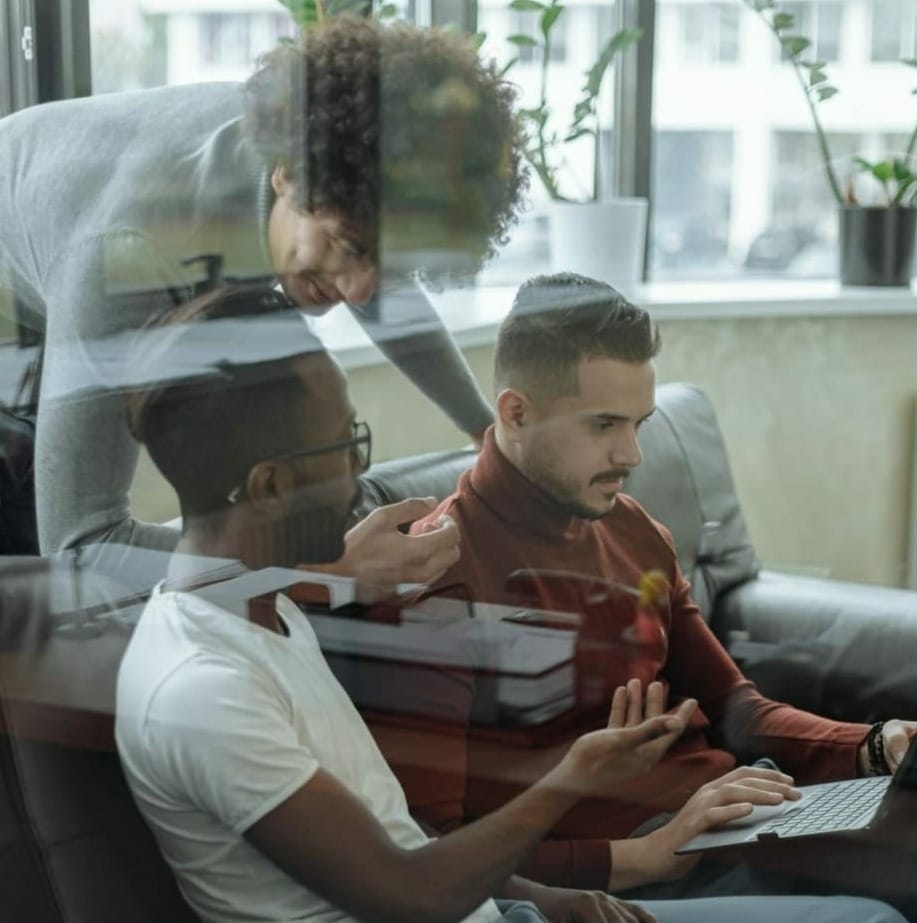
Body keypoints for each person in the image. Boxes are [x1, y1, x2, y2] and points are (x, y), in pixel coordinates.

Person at [114, 285, 901, 923]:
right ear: (271, 486)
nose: (363, 477)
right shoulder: (205, 691)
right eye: (346, 448)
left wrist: (869, 744)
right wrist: (584, 801)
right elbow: (409, 887)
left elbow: (408, 847)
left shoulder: (262, 606)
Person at [404, 272, 917, 902]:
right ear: (516, 412)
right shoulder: (439, 578)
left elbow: (738, 709)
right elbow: (435, 854)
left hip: (741, 812)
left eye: (639, 424)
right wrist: (642, 856)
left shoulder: (631, 529)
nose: (632, 455)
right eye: (603, 426)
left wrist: (872, 745)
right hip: (647, 868)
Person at [0, 16, 524, 582]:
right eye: (347, 246)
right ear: (285, 176)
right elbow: (81, 547)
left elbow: (371, 262)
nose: (359, 291)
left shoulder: (317, 146)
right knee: (40, 598)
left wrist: (488, 435)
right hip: (33, 310)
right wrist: (323, 568)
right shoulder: (127, 255)